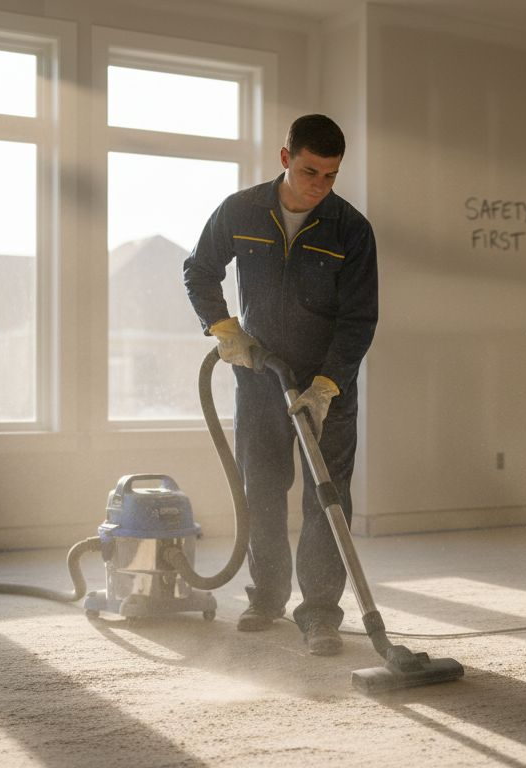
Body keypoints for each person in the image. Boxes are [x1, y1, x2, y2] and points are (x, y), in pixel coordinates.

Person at [183, 114, 377, 654]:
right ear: (286, 157)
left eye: (331, 176)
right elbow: (200, 269)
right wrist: (225, 330)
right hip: (261, 377)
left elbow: (359, 319)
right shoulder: (241, 211)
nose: (320, 186)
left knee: (326, 498)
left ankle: (318, 613)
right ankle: (266, 598)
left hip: (325, 387)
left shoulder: (351, 230)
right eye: (311, 171)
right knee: (263, 490)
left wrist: (325, 388)